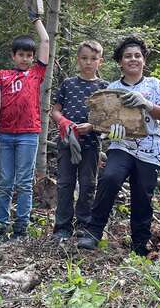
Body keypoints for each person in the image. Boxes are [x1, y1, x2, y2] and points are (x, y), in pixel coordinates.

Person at [78, 36, 160, 257]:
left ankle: (140, 244)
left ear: (143, 60)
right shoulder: (113, 88)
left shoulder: (154, 84)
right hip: (122, 145)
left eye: (137, 56)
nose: (133, 59)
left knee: (142, 195)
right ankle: (93, 232)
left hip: (150, 148)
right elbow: (104, 121)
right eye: (128, 56)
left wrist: (146, 103)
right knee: (110, 178)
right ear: (120, 62)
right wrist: (109, 130)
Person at [0, 11, 51, 241]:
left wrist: (37, 21)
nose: (25, 59)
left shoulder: (36, 74)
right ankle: (1, 227)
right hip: (4, 134)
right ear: (13, 56)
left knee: (24, 183)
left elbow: (45, 41)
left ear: (33, 58)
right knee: (4, 182)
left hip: (28, 134)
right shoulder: (1, 75)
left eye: (28, 55)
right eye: (21, 55)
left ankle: (21, 227)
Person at [51, 40, 109, 240]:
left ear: (100, 62)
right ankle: (62, 226)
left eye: (93, 59)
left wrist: (92, 127)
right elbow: (55, 110)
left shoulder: (104, 87)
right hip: (67, 141)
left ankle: (84, 224)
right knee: (65, 183)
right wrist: (64, 122)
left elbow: (108, 118)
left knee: (87, 184)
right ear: (78, 60)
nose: (88, 62)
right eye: (84, 58)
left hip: (92, 144)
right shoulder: (68, 83)